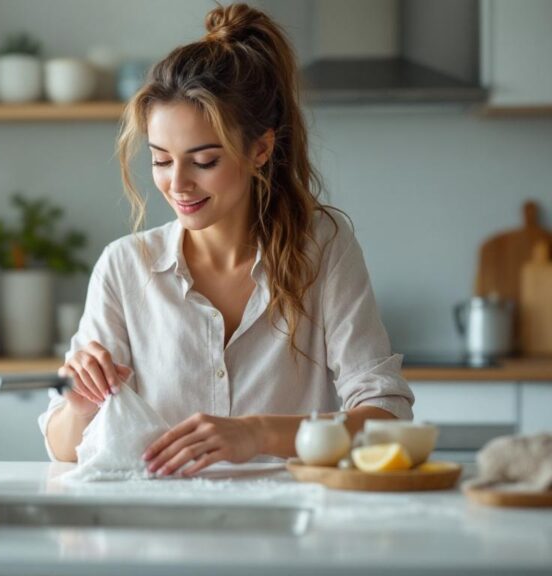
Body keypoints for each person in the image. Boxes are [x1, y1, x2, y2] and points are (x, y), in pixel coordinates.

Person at [39, 2, 414, 476]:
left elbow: (387, 418)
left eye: (204, 161)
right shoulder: (124, 266)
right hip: (161, 520)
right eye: (160, 160)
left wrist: (257, 433)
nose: (178, 184)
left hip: (291, 518)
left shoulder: (322, 249)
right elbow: (62, 450)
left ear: (260, 149)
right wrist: (80, 404)